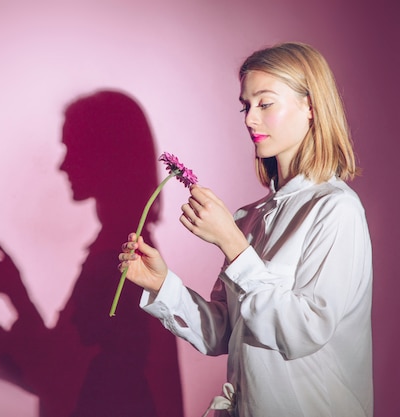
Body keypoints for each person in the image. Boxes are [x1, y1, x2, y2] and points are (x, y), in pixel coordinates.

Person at [118, 42, 373, 417]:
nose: (249, 119)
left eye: (265, 103)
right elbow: (225, 333)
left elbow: (303, 332)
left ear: (311, 107)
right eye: (246, 105)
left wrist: (233, 244)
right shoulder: (249, 217)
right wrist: (162, 285)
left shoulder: (336, 209)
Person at [0, 90, 184, 417]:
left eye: (71, 148)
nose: (62, 165)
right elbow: (64, 372)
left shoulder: (118, 267)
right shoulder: (125, 254)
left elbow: (58, 379)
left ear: (106, 152)